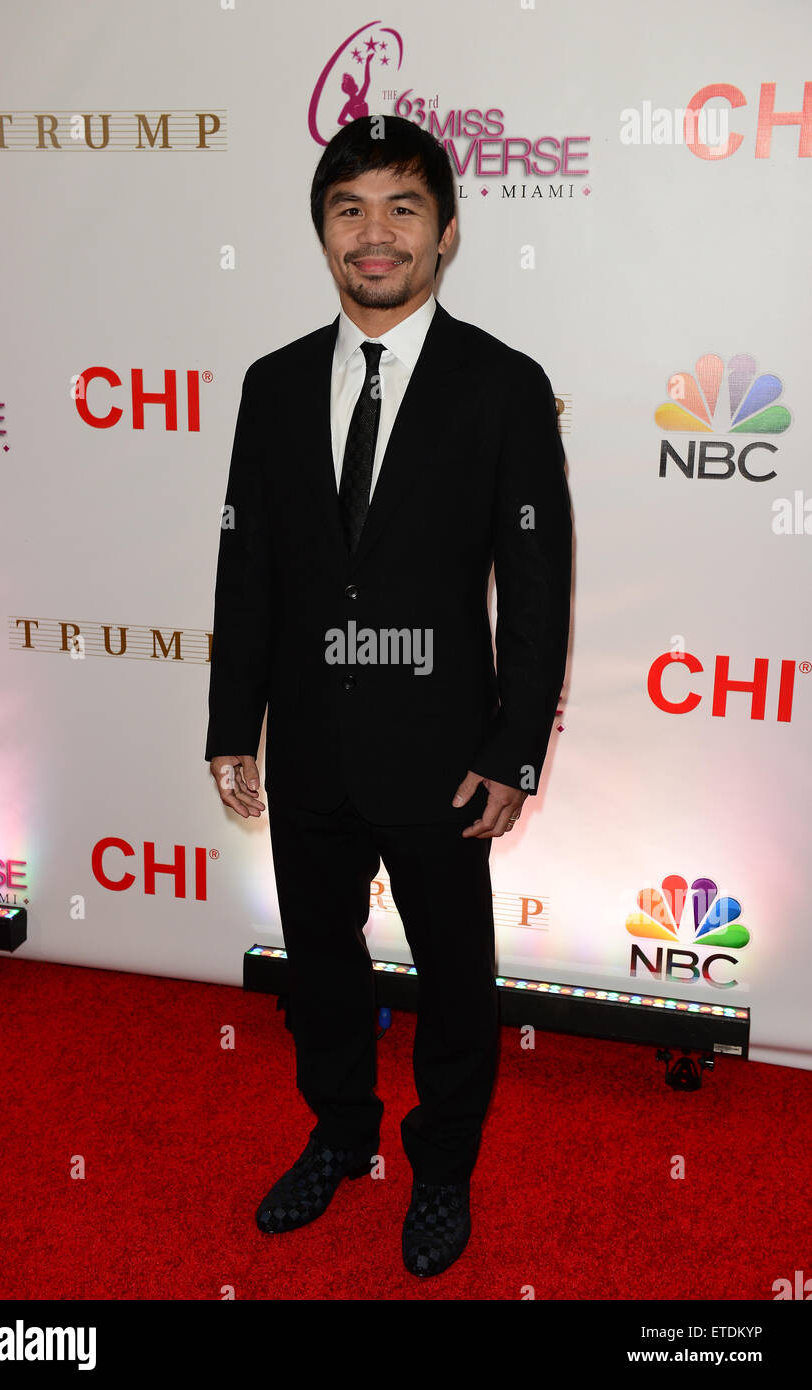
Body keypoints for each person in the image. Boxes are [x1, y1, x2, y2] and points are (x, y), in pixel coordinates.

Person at [205, 114, 572, 1278]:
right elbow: (247, 567)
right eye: (349, 208)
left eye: (402, 208)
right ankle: (340, 1134)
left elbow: (538, 578)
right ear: (322, 234)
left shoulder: (503, 385)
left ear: (447, 233)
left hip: (442, 751)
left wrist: (514, 747)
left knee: (456, 976)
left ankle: (444, 1167)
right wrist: (232, 721)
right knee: (320, 962)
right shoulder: (270, 386)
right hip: (309, 745)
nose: (375, 234)